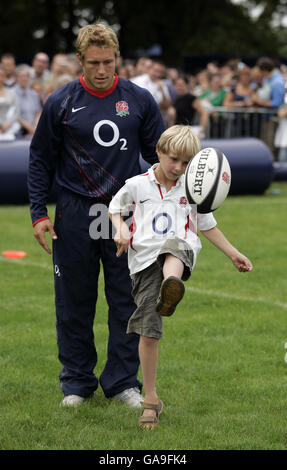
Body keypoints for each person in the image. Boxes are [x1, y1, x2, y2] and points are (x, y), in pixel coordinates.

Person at [28, 23, 165, 408]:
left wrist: (174, 200)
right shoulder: (61, 102)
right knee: (74, 301)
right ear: (80, 61)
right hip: (74, 211)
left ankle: (123, 382)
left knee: (127, 300)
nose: (102, 70)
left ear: (117, 58)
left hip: (123, 214)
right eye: (93, 63)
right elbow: (39, 160)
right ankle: (76, 383)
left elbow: (161, 157)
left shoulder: (139, 100)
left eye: (108, 62)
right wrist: (39, 214)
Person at [108, 125, 253, 429]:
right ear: (158, 152)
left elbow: (207, 225)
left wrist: (233, 253)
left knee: (175, 247)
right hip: (144, 262)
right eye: (174, 160)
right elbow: (114, 207)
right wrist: (120, 228)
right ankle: (151, 398)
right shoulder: (137, 184)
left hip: (179, 251)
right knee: (149, 331)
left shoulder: (194, 187)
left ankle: (169, 286)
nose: (179, 168)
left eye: (186, 163)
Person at [13, 64, 42, 138]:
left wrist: (35, 127)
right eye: (22, 76)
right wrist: (30, 129)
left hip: (34, 131)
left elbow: (38, 112)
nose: (24, 78)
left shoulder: (34, 94)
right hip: (18, 132)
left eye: (27, 76)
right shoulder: (12, 93)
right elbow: (15, 115)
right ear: (16, 78)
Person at [0, 64, 20, 140]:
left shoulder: (12, 93)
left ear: (5, 77)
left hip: (8, 129)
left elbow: (16, 112)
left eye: (2, 76)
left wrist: (7, 124)